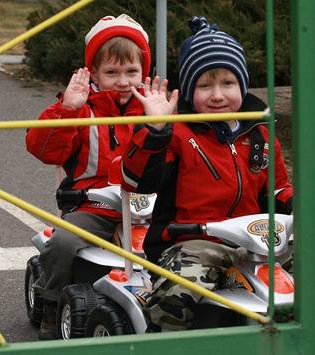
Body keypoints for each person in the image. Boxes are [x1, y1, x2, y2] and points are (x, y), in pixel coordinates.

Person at [122, 16, 293, 331]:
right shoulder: (177, 133)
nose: (217, 95)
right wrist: (155, 130)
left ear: (242, 85)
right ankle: (167, 341)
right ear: (188, 91)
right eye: (205, 85)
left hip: (259, 242)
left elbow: (277, 189)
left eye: (228, 83)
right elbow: (137, 181)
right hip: (192, 240)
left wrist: (295, 206)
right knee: (179, 294)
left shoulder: (260, 133)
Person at [25, 14, 161, 339]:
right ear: (95, 75)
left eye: (131, 72)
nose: (123, 80)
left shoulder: (154, 110)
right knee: (63, 242)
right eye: (112, 73)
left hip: (150, 210)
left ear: (144, 72)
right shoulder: (82, 111)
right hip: (94, 208)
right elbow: (44, 150)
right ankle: (51, 301)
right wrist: (68, 112)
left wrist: (162, 125)